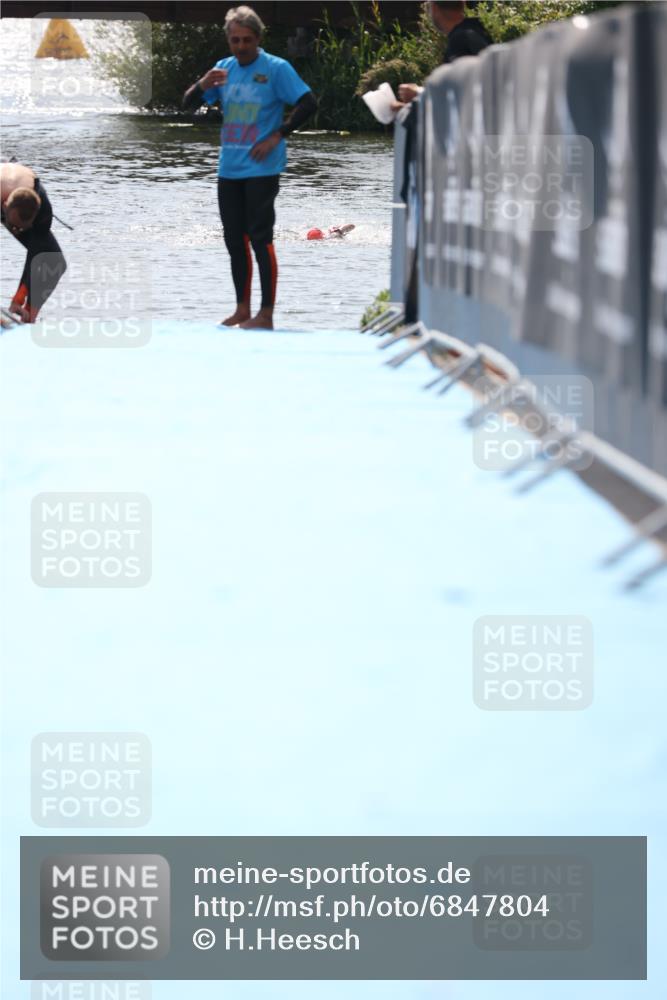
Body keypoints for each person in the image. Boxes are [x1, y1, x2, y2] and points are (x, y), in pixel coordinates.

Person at [183, 5, 317, 329]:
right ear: (228, 41)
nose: (240, 46)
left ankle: (266, 314)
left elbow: (308, 103)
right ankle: (242, 309)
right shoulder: (223, 69)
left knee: (260, 238)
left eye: (246, 40)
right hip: (229, 169)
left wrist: (277, 135)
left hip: (262, 167)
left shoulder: (275, 68)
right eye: (235, 40)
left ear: (257, 38)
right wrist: (202, 85)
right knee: (234, 240)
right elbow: (188, 104)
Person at [1, 161, 67, 323]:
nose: (17, 231)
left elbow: (36, 254)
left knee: (54, 261)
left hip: (21, 188)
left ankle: (29, 315)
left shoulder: (43, 211)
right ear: (4, 207)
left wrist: (19, 298)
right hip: (5, 187)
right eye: (14, 226)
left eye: (21, 228)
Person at [396, 1, 492, 107]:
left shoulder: (460, 41)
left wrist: (418, 94)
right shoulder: (477, 31)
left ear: (434, 8)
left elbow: (459, 97)